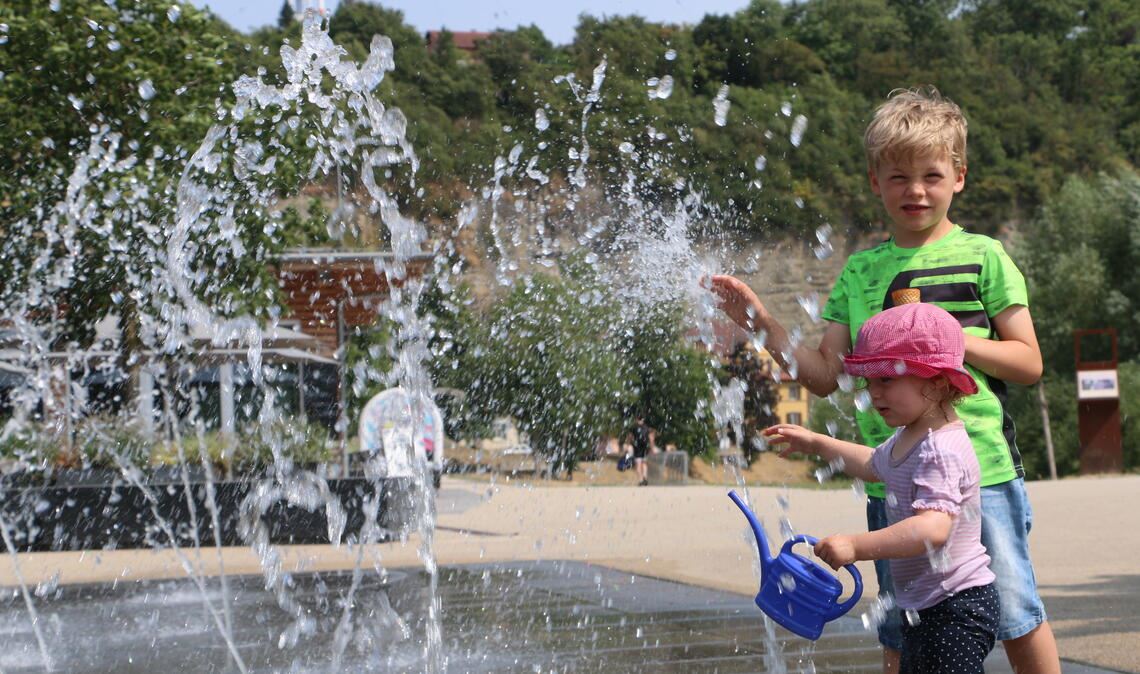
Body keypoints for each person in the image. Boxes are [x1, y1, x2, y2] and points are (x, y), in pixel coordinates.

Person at [710, 87, 1060, 673]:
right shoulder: (861, 271)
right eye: (898, 177)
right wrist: (762, 324)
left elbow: (1027, 362)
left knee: (1016, 612)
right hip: (894, 479)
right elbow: (822, 376)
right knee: (900, 626)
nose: (915, 190)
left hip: (983, 473)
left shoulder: (984, 256)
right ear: (875, 181)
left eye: (931, 175)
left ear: (960, 177)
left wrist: (950, 341)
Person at [767, 303, 998, 673]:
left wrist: (856, 546)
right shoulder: (912, 435)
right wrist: (816, 443)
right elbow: (875, 464)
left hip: (957, 607)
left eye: (887, 379)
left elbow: (933, 528)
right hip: (926, 606)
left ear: (937, 382)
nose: (874, 393)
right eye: (869, 381)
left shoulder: (941, 448)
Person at [627, 416, 654, 486]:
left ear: (636, 419)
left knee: (638, 464)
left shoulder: (634, 427)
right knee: (644, 462)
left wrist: (629, 443)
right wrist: (652, 447)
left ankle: (641, 480)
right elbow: (651, 438)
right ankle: (645, 477)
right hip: (645, 447)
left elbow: (630, 437)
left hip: (637, 447)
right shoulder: (647, 427)